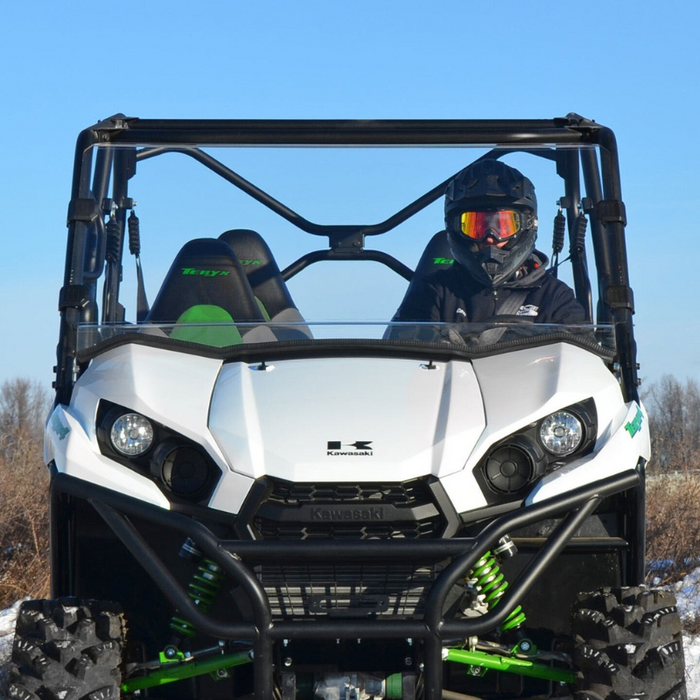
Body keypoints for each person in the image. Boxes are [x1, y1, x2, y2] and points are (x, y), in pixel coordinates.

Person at [393, 159, 586, 326]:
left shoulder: (553, 297)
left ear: (527, 226)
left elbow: (578, 360)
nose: (490, 237)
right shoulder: (434, 293)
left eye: (503, 225)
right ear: (454, 228)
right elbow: (408, 359)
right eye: (475, 225)